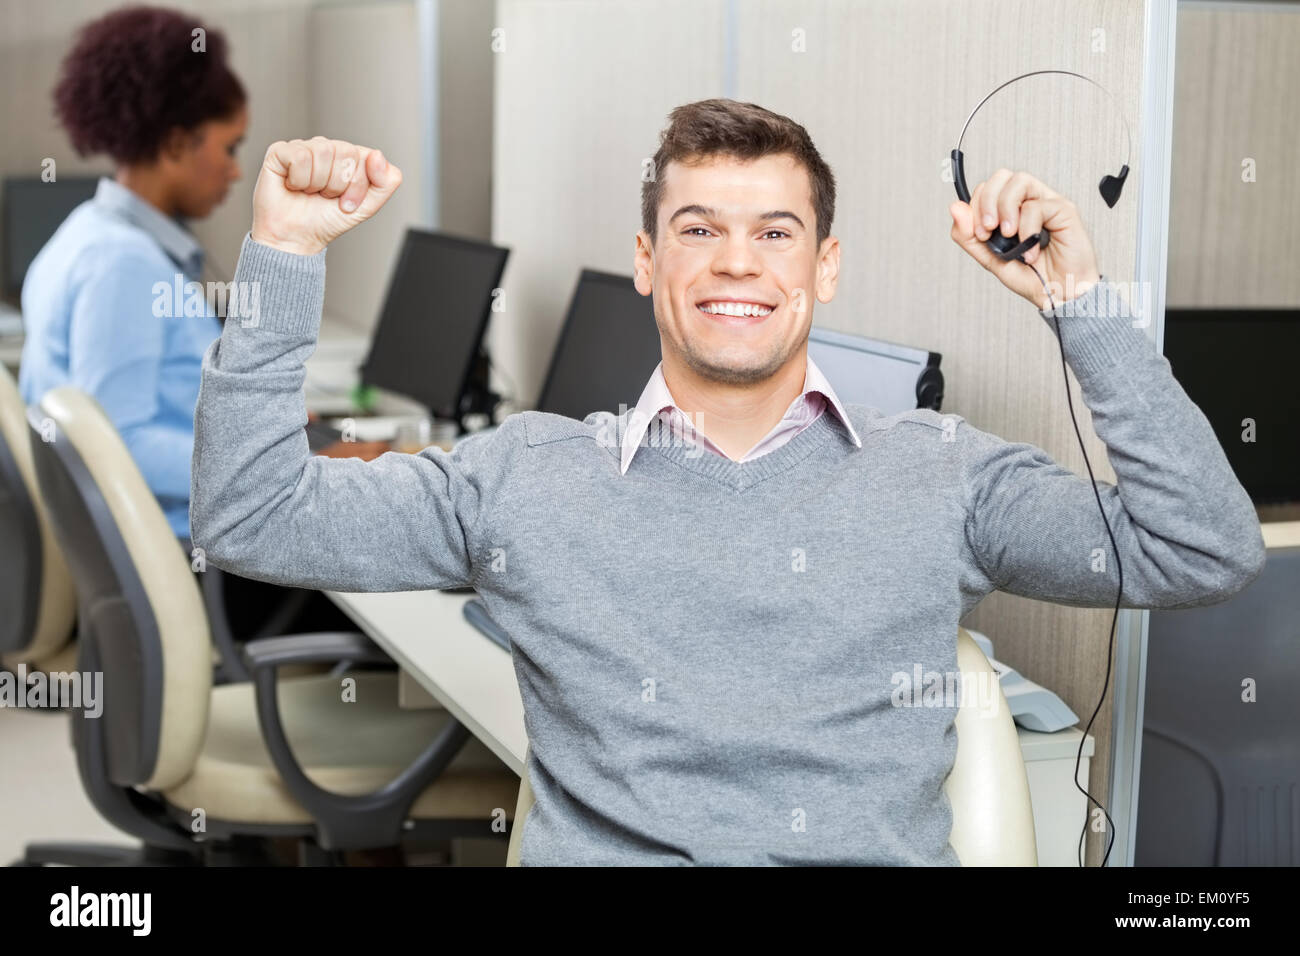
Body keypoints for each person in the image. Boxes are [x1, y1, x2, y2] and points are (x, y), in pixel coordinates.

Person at [190, 100, 1266, 866]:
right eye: (697, 229)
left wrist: (1077, 301)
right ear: (649, 262)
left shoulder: (942, 473)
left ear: (824, 267)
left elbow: (1203, 548)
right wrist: (284, 250)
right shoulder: (521, 475)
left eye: (774, 233)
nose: (736, 262)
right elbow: (250, 513)